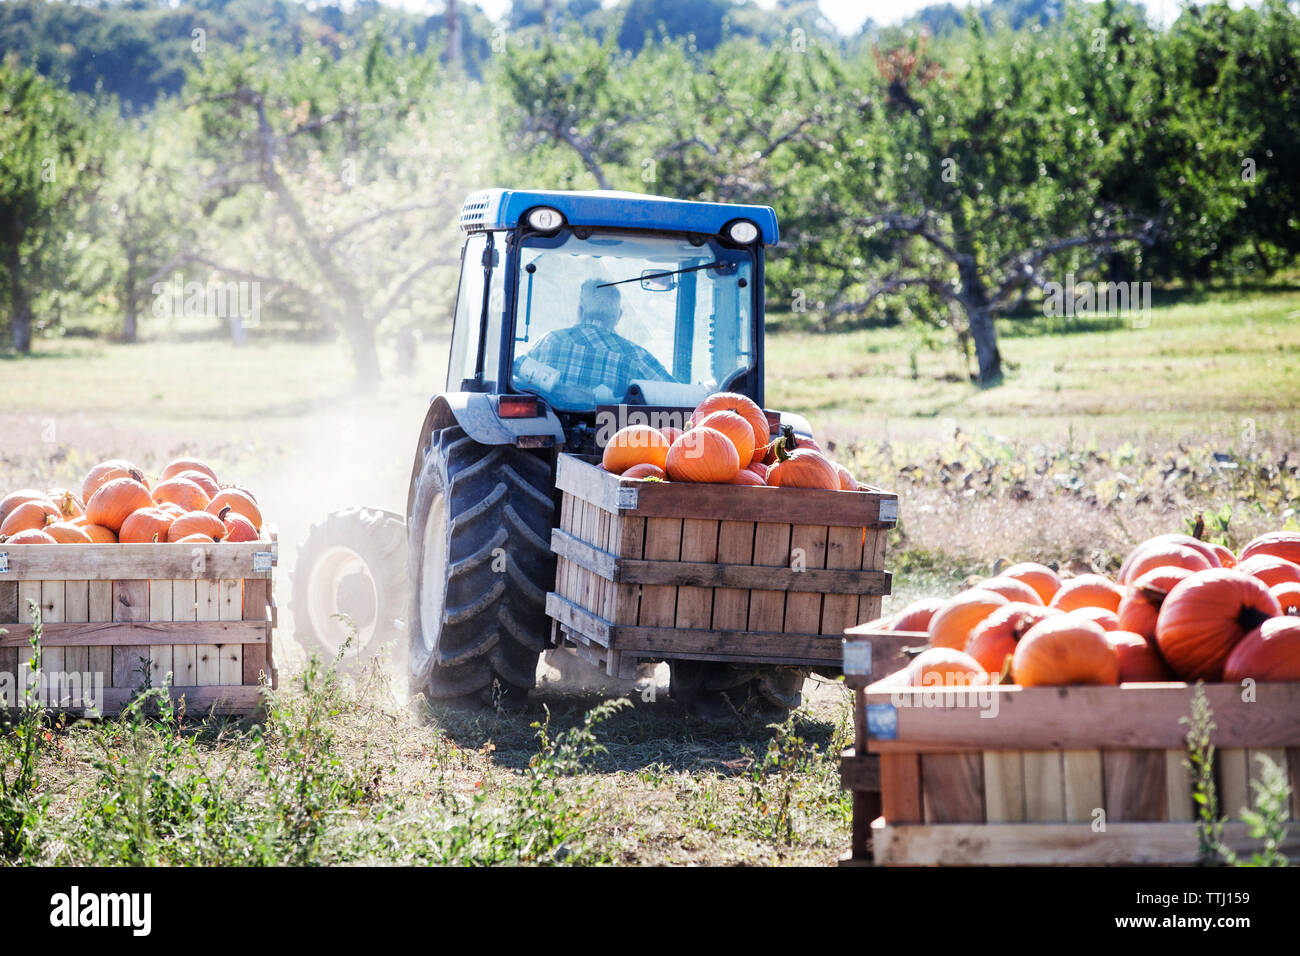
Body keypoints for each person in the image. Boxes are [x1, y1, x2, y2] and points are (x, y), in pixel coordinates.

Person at [519, 278, 673, 401]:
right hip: (613, 437)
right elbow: (675, 394)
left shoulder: (548, 342)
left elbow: (518, 382)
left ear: (580, 310)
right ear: (619, 316)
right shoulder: (636, 356)